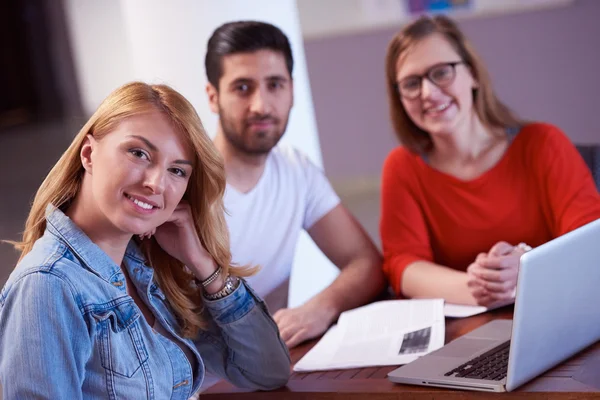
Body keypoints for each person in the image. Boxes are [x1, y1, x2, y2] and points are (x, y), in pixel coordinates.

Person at [0, 82, 291, 399]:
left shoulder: (149, 273)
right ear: (88, 154)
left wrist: (205, 266)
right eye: (138, 153)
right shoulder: (48, 285)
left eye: (177, 171)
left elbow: (268, 370)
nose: (155, 184)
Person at [381, 15, 600, 308]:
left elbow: (589, 241)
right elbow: (403, 263)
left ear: (471, 74)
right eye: (411, 83)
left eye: (441, 73)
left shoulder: (543, 143)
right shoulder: (402, 167)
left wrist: (526, 267)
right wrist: (480, 286)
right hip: (470, 331)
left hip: (555, 311)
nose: (428, 93)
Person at [204, 21, 386, 349]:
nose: (261, 105)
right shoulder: (178, 182)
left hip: (271, 373)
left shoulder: (295, 170)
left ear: (292, 90)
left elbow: (366, 263)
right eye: (242, 88)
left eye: (274, 84)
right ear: (213, 97)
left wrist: (319, 309)